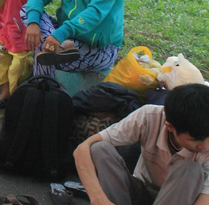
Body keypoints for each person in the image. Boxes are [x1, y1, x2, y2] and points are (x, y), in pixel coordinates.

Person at [74, 84, 209, 205]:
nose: (204, 146)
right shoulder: (149, 116)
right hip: (142, 189)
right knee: (99, 148)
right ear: (170, 127)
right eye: (194, 140)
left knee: (190, 169)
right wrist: (98, 198)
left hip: (182, 199)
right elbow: (82, 149)